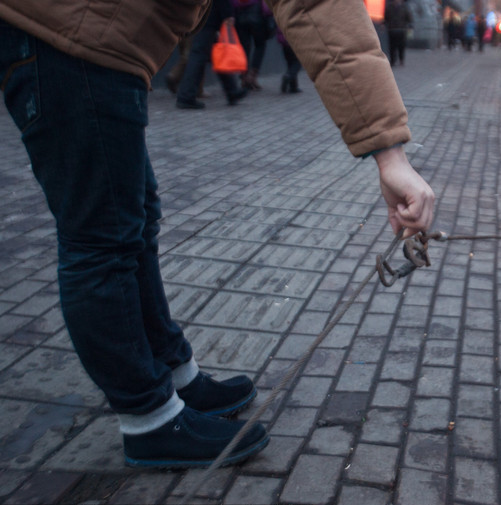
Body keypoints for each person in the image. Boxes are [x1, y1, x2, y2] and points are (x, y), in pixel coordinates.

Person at [0, 0, 434, 469]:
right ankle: (149, 420)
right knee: (102, 238)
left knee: (134, 220)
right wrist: (389, 155)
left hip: (98, 37)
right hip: (67, 36)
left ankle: (173, 372)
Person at [176, 0, 248, 109]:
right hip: (208, 16)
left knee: (216, 54)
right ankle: (186, 95)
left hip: (202, 14)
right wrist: (228, 14)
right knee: (199, 55)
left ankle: (232, 91)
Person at [233, 0, 275, 90]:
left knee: (244, 48)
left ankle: (244, 77)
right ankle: (252, 77)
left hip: (240, 14)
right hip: (256, 13)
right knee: (260, 45)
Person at [384, 0, 413, 67]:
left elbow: (409, 18)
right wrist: (384, 24)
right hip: (392, 30)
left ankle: (401, 59)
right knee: (392, 47)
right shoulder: (389, 7)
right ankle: (392, 61)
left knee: (401, 46)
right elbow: (386, 17)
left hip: (401, 30)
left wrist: (410, 26)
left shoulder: (404, 7)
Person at [277, 28, 302, 93]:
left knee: (290, 63)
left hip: (284, 43)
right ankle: (288, 76)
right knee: (297, 63)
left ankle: (293, 86)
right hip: (294, 41)